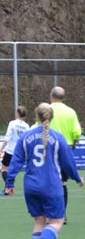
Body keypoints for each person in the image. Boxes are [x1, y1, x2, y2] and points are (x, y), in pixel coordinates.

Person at [5, 103, 83, 239]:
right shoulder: (58, 137)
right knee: (57, 222)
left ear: (36, 116)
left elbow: (16, 161)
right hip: (51, 186)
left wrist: (9, 183)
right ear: (51, 117)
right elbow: (68, 163)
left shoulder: (26, 137)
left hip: (31, 186)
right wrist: (77, 178)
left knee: (40, 221)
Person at [48, 86, 82, 217]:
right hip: (65, 150)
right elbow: (77, 132)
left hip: (49, 148)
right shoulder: (70, 112)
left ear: (51, 96)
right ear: (63, 98)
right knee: (63, 182)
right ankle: (61, 214)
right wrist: (74, 141)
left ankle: (50, 213)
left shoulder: (46, 109)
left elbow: (37, 127)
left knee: (50, 181)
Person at [0, 106, 29, 196]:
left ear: (18, 113)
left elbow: (7, 137)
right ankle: (8, 187)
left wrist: (0, 150)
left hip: (10, 150)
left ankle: (9, 187)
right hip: (20, 152)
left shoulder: (12, 123)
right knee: (12, 171)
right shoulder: (26, 126)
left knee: (4, 169)